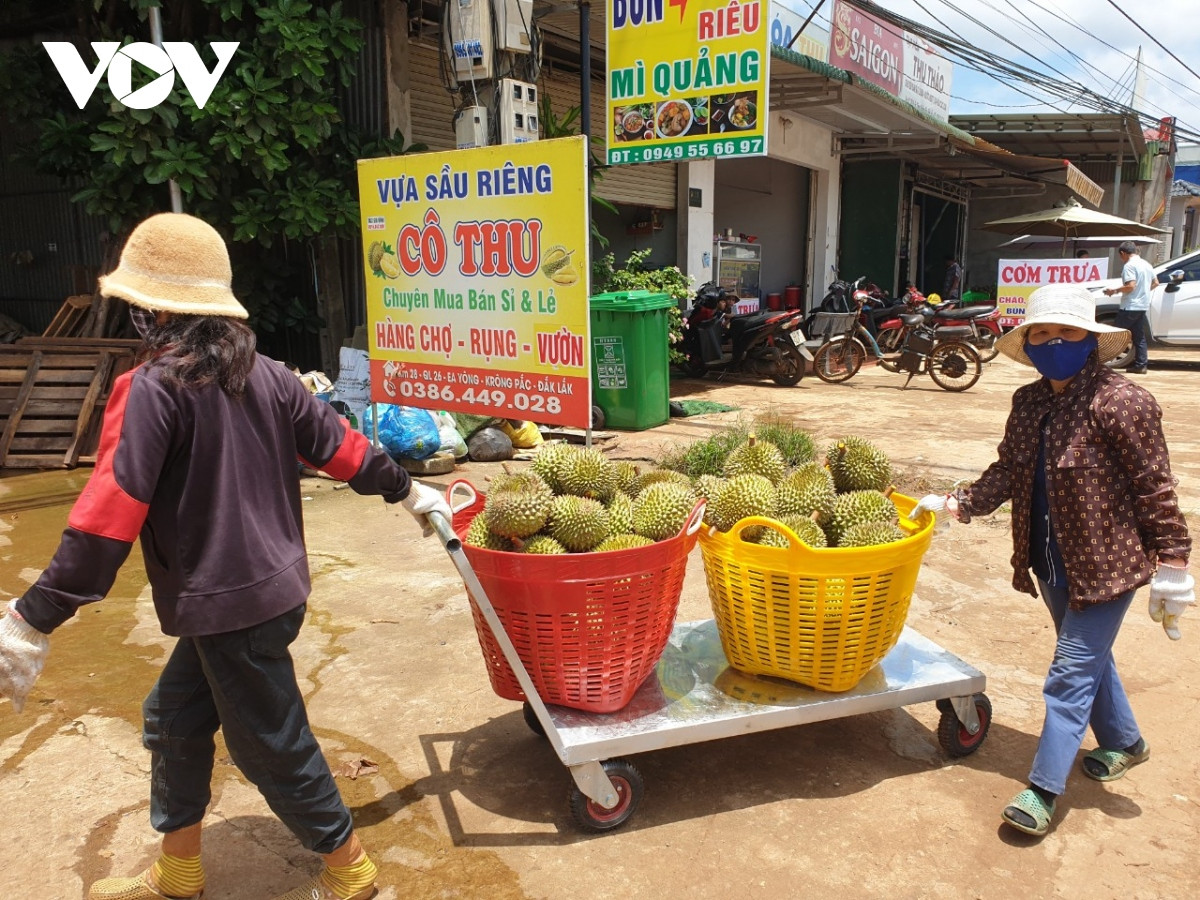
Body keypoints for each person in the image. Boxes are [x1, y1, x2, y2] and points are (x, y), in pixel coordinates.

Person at [0, 213, 453, 899]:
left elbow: (107, 517)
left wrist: (33, 619)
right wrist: (410, 490)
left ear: (152, 310)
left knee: (270, 743)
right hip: (267, 596)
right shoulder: (269, 375)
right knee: (172, 719)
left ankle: (349, 869)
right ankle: (179, 870)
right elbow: (344, 449)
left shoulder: (151, 390)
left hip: (230, 607)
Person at [936, 283, 1193, 838]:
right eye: (1043, 333)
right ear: (1027, 344)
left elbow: (1154, 487)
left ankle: (1044, 789)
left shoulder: (1123, 402)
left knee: (1070, 671)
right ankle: (1126, 742)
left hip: (1108, 563)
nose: (1055, 342)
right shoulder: (1027, 403)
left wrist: (1173, 559)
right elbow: (1009, 468)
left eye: (1068, 332)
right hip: (1049, 561)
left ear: (1091, 340)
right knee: (1090, 658)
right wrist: (962, 502)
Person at [1103, 240, 1158, 374]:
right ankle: (1141, 365)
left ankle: (1101, 363)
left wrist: (1114, 291)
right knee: (1139, 336)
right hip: (1142, 305)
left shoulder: (1129, 266)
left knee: (1114, 335)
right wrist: (1143, 292)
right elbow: (1156, 283)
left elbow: (1130, 286)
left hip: (1130, 306)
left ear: (1123, 253)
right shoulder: (1147, 264)